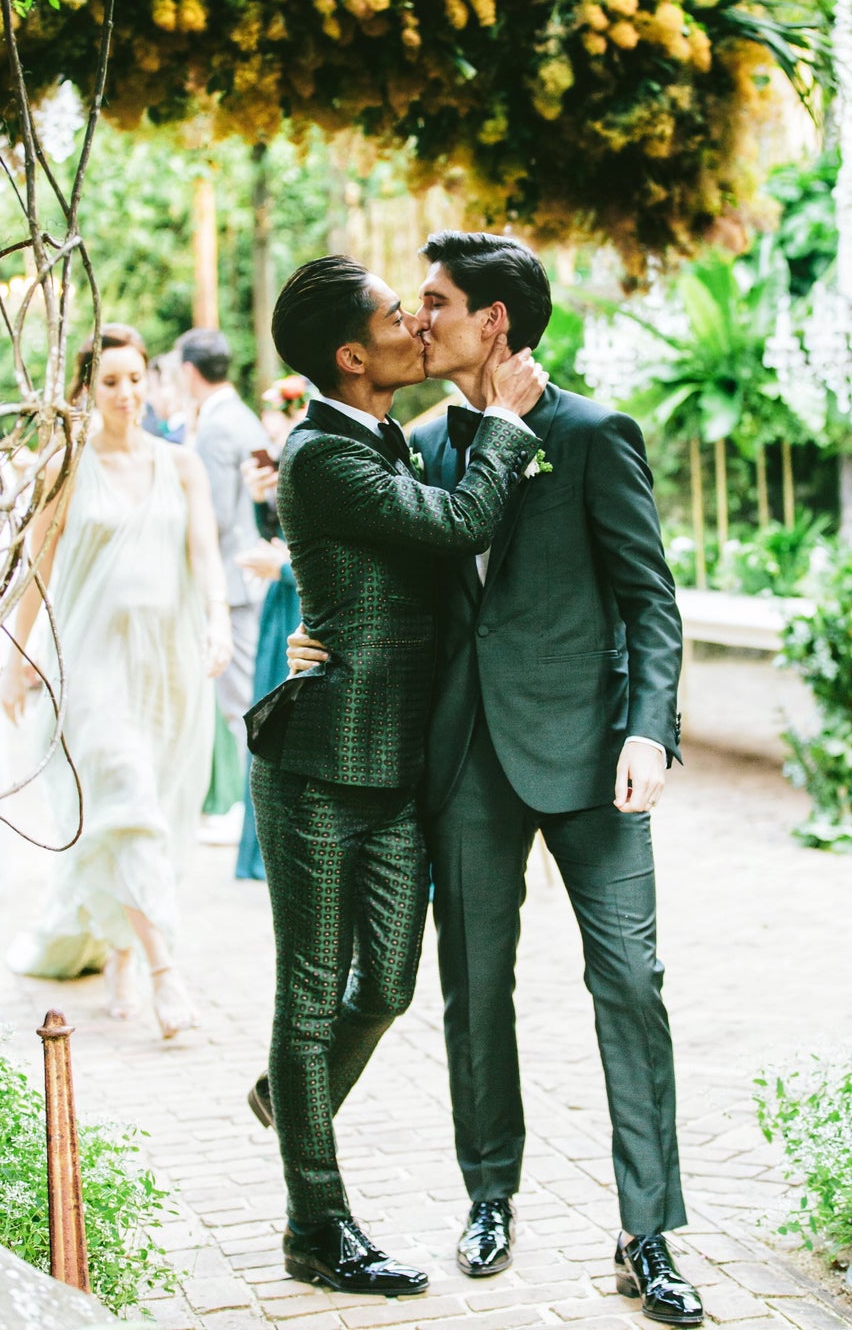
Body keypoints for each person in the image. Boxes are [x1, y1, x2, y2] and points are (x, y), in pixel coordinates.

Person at [290, 232, 703, 1325]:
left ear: (496, 324)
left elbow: (651, 599)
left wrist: (648, 730)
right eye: (413, 303)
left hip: (593, 755)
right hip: (463, 756)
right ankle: (490, 1195)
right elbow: (373, 560)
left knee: (632, 981)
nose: (420, 320)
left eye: (436, 302)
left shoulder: (593, 434)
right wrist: (321, 638)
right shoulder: (419, 445)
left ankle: (648, 1233)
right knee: (475, 987)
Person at [245, 255, 546, 1297]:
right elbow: (460, 523)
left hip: (400, 765)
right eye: (396, 315)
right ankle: (316, 1228)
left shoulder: (386, 440)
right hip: (319, 768)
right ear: (350, 356)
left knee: (388, 986)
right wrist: (507, 425)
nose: (420, 325)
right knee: (313, 994)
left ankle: (292, 1095)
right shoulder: (323, 454)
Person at [1, 322, 231, 1040]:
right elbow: (34, 569)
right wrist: (16, 659)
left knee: (148, 814)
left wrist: (218, 623)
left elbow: (205, 555)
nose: (128, 394)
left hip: (165, 670)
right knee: (126, 794)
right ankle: (166, 973)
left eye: (137, 379)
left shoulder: (180, 464)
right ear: (87, 390)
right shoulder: (65, 467)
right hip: (91, 665)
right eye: (111, 382)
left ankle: (123, 953)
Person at [233, 375, 311, 881]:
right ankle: (264, 849)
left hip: (301, 600)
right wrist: (261, 498)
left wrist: (281, 565)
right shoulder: (278, 465)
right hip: (279, 605)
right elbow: (277, 529)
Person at [181, 328, 269, 761]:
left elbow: (210, 516)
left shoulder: (216, 428)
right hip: (250, 569)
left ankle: (249, 815)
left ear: (188, 371)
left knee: (240, 702)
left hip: (231, 581)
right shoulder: (244, 416)